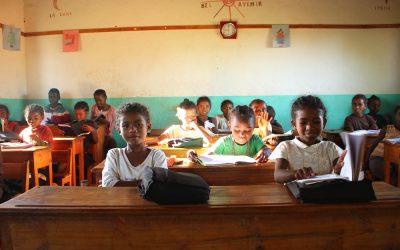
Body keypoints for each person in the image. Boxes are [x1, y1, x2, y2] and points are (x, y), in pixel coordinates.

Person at [270, 95, 345, 183]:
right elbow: (278, 174)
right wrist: (295, 174)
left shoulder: (331, 148)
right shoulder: (286, 147)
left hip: (325, 194)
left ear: (324, 123)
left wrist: (338, 171)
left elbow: (342, 170)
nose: (309, 127)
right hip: (296, 195)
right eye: (303, 123)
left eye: (316, 122)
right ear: (294, 124)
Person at [102, 102, 167, 187]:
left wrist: (118, 183)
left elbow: (160, 185)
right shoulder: (114, 155)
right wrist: (147, 182)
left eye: (138, 124)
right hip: (120, 200)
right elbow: (107, 184)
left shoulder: (157, 156)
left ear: (148, 127)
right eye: (126, 125)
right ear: (119, 130)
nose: (132, 130)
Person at [72, 101, 99, 174]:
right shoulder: (73, 123)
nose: (78, 117)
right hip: (72, 152)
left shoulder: (90, 124)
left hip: (84, 153)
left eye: (80, 114)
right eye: (76, 114)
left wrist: (93, 130)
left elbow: (96, 141)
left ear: (86, 113)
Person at [91, 89, 117, 153]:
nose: (98, 103)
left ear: (105, 98)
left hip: (107, 136)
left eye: (100, 100)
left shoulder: (113, 111)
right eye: (96, 100)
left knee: (111, 143)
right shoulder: (94, 108)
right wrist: (95, 120)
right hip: (96, 135)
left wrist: (107, 123)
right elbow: (91, 122)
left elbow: (113, 126)